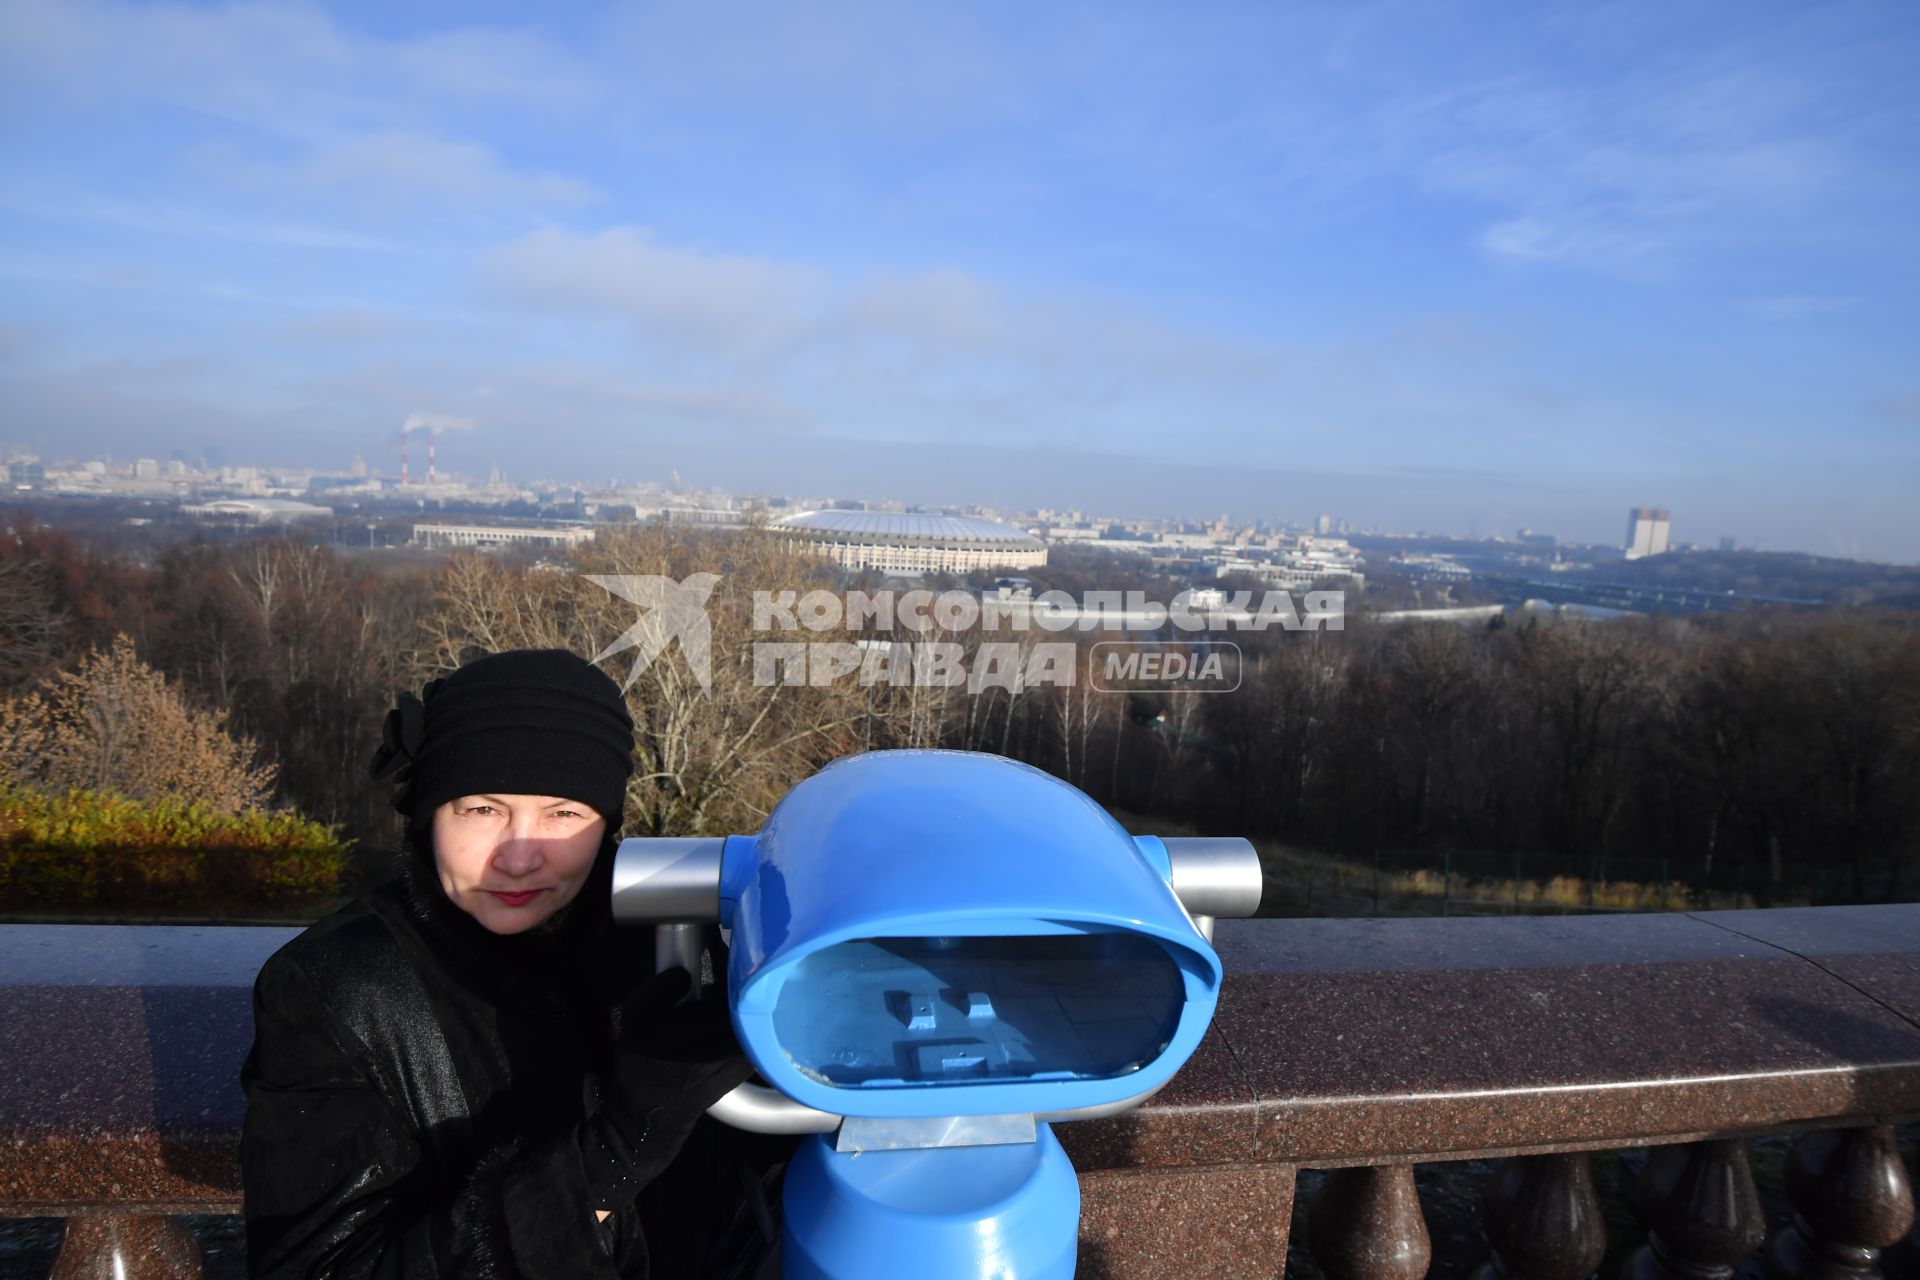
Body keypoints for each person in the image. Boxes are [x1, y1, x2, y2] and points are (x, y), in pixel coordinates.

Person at [239, 648, 775, 1278]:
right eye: (484, 809)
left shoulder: (680, 942)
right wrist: (607, 1158)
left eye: (564, 814)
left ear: (607, 824)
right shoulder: (336, 991)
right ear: (428, 812)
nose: (519, 859)